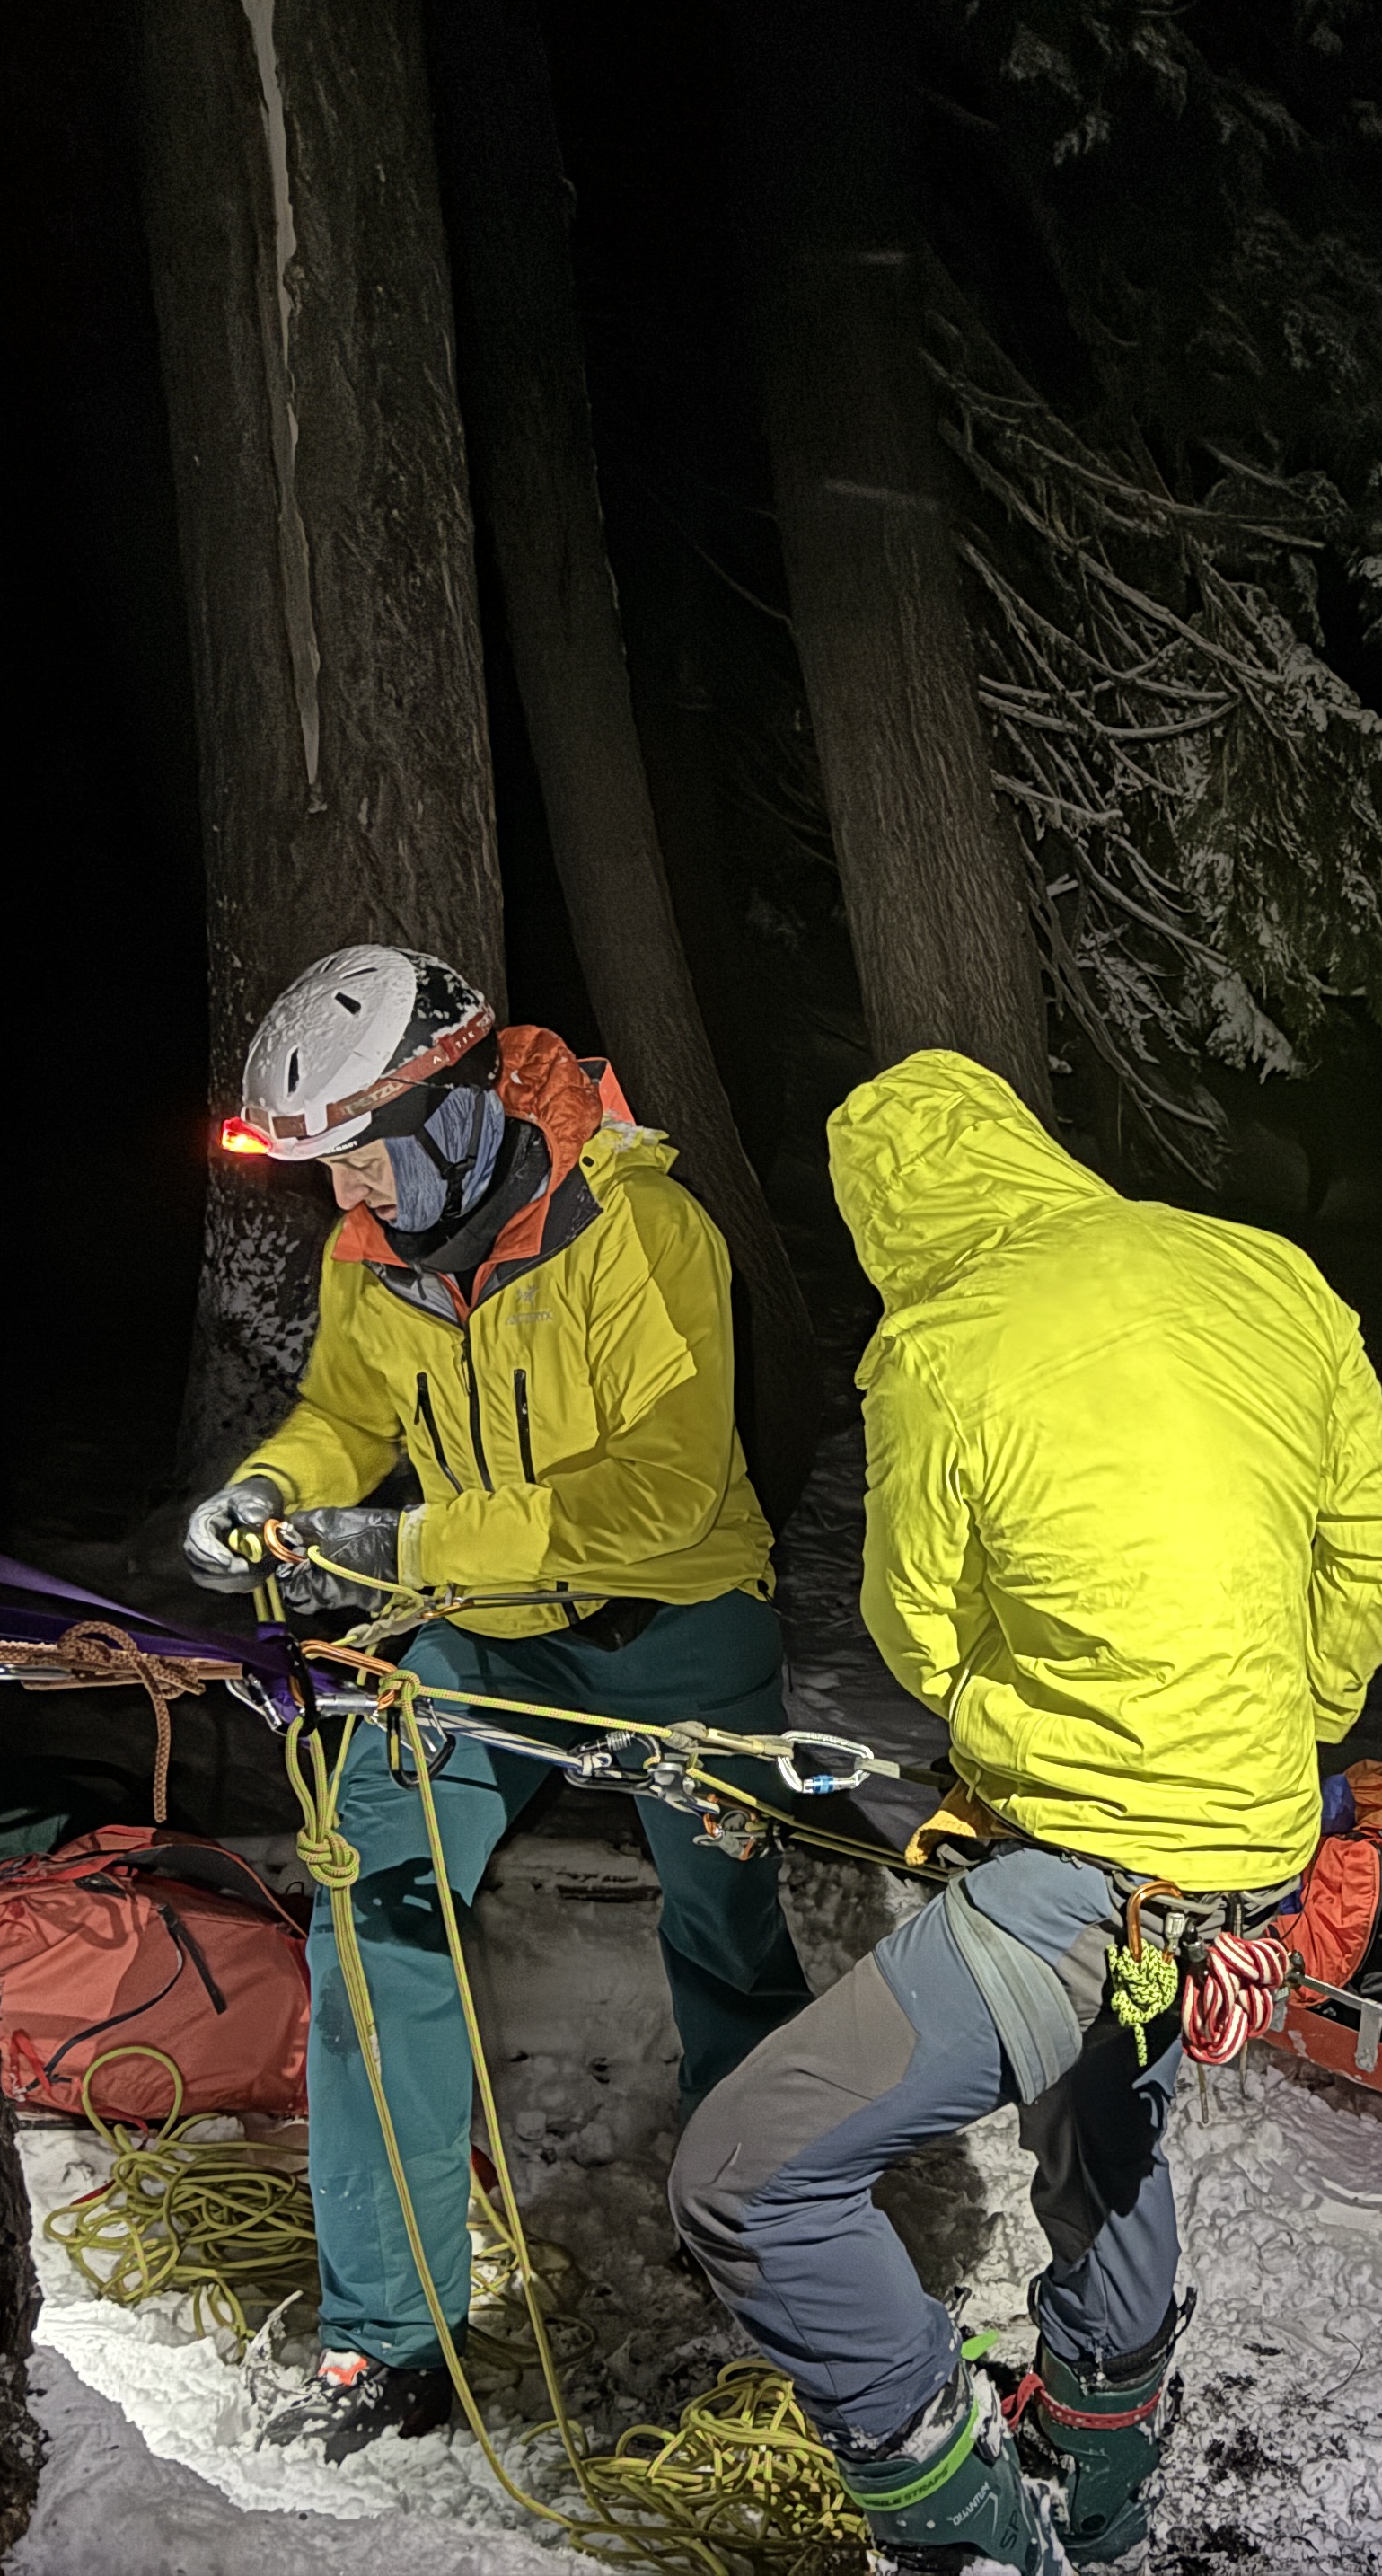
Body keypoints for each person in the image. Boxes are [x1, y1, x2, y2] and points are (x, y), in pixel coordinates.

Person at [669, 1049, 1382, 2574]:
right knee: (1102, 2133)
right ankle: (1102, 2480)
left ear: (885, 1215)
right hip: (1252, 1860)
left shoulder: (941, 1341)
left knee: (746, 2173)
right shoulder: (1267, 1273)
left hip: (1086, 1878)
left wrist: (1020, 1741)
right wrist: (1288, 1716)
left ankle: (969, 2531)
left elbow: (916, 1626)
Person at [176, 944, 814, 2461]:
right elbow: (348, 1411)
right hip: (477, 1633)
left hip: (678, 1621)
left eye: (363, 1157)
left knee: (727, 1935)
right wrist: (275, 1487)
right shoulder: (372, 1252)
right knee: (370, 1911)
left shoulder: (639, 1226)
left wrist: (405, 1546)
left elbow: (662, 1486)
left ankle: (775, 2248)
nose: (346, 1199)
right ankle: (388, 2332)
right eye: (327, 1172)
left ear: (455, 1109)